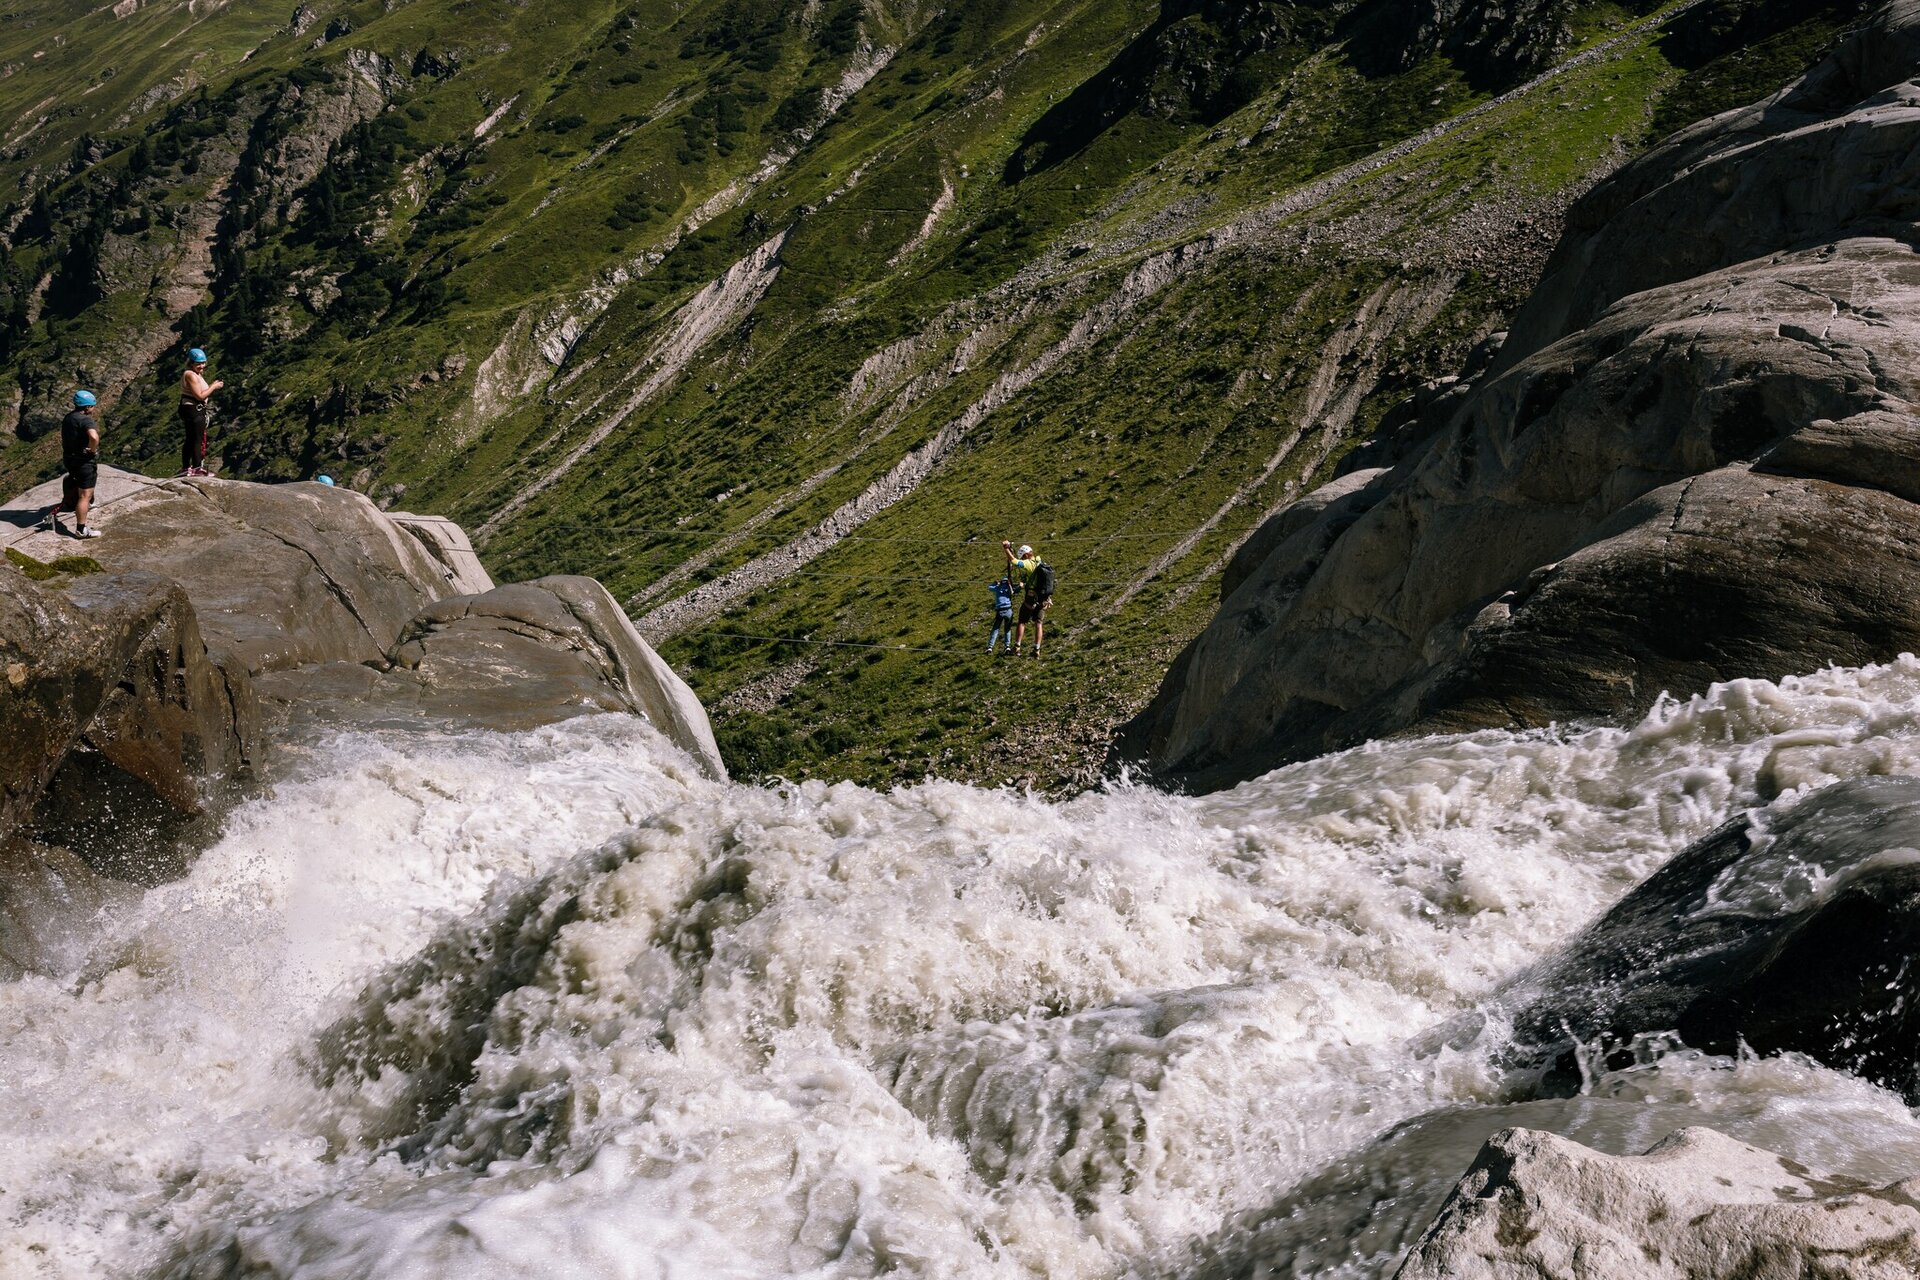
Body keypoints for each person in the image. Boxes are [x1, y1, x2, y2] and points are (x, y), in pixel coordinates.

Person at [40, 390, 102, 538]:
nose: (94, 408)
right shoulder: (86, 420)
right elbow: (94, 437)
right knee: (85, 496)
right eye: (92, 406)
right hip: (84, 462)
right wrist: (92, 450)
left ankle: (81, 503)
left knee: (76, 480)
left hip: (69, 459)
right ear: (87, 407)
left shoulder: (69, 417)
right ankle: (81, 530)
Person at [1003, 540, 1052, 656]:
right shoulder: (1041, 562)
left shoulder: (1028, 563)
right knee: (1039, 623)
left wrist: (1006, 549)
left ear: (1025, 555)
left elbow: (1014, 562)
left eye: (1023, 557)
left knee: (1022, 621)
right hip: (1043, 598)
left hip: (1031, 597)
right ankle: (1037, 649)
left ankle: (1017, 647)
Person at [179, 347, 223, 477]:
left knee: (191, 439)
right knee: (197, 440)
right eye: (198, 363)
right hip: (194, 409)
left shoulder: (194, 373)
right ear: (191, 363)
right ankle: (197, 468)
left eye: (203, 363)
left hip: (191, 409)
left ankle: (186, 468)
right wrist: (214, 387)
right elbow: (200, 396)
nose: (202, 366)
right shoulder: (191, 375)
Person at [986, 575, 1017, 654]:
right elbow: (1012, 592)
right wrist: (1009, 584)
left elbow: (989, 588)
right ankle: (1007, 647)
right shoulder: (1008, 587)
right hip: (1008, 610)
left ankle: (990, 647)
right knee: (1007, 629)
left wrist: (995, 583)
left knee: (995, 629)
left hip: (1000, 610)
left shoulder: (997, 587)